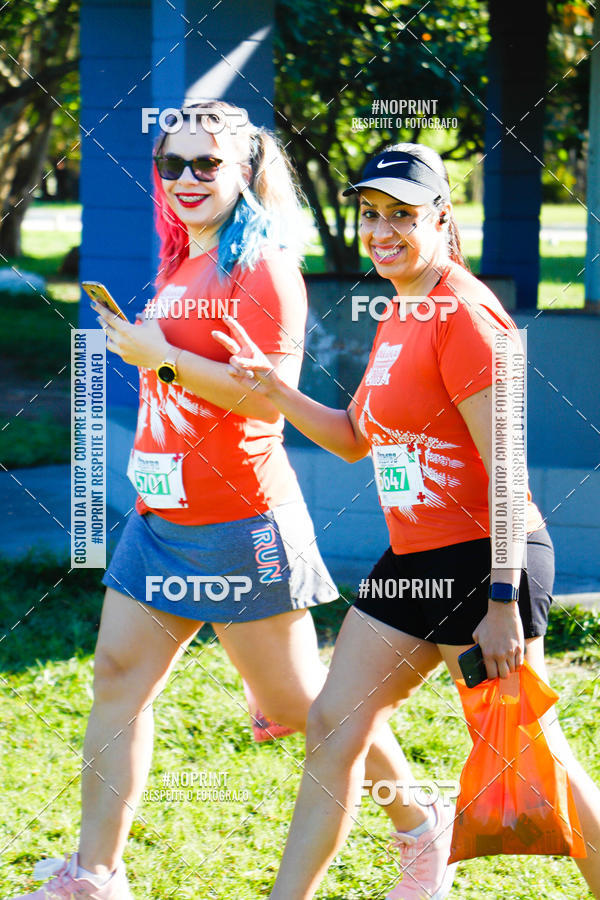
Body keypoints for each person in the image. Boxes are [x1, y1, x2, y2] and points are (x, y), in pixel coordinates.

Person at [9, 111, 445, 900]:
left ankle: (419, 824)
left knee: (305, 706)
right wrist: (150, 352)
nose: (185, 179)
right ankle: (95, 876)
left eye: (206, 163)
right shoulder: (186, 257)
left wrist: (160, 356)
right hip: (161, 519)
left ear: (244, 168)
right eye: (170, 163)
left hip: (241, 523)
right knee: (116, 677)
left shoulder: (265, 266)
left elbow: (266, 401)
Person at [214, 142, 600, 900]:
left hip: (487, 558)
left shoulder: (465, 316)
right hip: (414, 561)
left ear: (442, 218)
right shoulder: (400, 308)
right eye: (371, 214)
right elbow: (358, 438)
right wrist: (275, 392)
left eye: (402, 215)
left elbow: (508, 469)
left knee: (536, 756)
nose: (381, 229)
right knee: (333, 725)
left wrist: (498, 602)